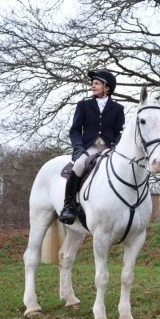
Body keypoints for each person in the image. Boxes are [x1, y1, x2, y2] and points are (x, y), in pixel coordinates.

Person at [58, 69, 125, 224]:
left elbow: (118, 131)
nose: (92, 86)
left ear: (107, 87)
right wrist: (78, 147)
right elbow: (75, 130)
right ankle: (68, 206)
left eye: (96, 83)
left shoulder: (118, 109)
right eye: (92, 83)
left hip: (110, 148)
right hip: (89, 148)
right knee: (80, 164)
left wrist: (116, 143)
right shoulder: (83, 105)